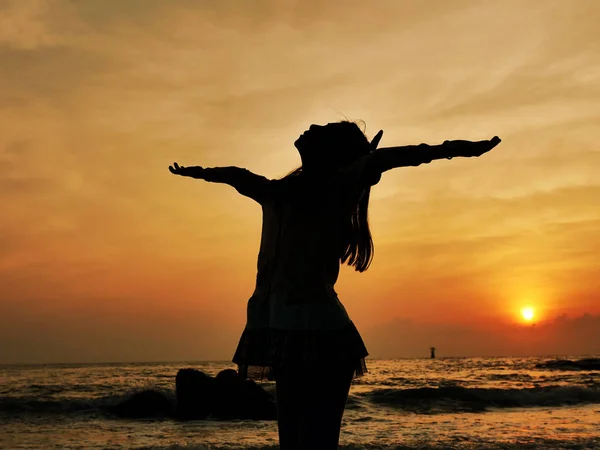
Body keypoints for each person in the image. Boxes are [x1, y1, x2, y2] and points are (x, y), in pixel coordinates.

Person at [169, 122, 501, 449]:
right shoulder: (276, 192)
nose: (312, 125)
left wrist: (458, 150)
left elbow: (397, 156)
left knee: (318, 443)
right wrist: (201, 172)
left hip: (323, 335)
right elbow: (239, 175)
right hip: (278, 330)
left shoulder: (337, 186)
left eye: (323, 128)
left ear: (332, 152)